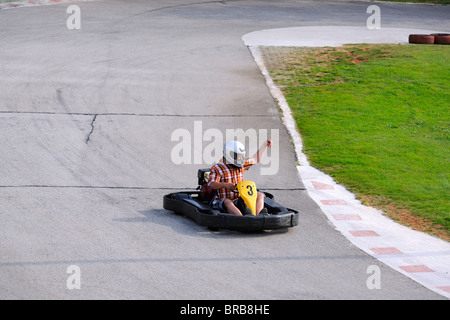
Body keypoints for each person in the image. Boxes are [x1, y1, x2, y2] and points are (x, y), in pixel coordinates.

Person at [208, 139, 272, 216]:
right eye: (238, 156)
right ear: (230, 155)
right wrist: (225, 185)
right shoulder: (217, 168)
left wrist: (265, 144)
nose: (240, 158)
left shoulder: (241, 165)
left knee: (260, 195)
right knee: (227, 202)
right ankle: (242, 219)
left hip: (239, 199)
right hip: (223, 201)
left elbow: (255, 159)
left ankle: (258, 215)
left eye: (241, 156)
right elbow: (212, 184)